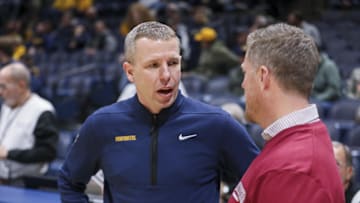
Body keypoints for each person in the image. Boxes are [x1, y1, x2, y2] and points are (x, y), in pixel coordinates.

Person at [58, 21, 259, 203]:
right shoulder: (102, 124)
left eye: (172, 63)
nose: (166, 75)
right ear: (130, 72)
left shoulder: (216, 123)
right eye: (153, 65)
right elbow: (70, 183)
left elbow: (260, 182)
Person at [228, 23, 344, 203]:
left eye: (245, 73)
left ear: (262, 77)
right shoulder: (295, 148)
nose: (243, 84)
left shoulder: (292, 171)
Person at [0, 63, 58, 183]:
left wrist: (9, 154)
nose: (1, 92)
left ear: (21, 85)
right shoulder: (6, 106)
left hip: (25, 183)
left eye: (3, 87)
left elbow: (47, 152)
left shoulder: (42, 110)